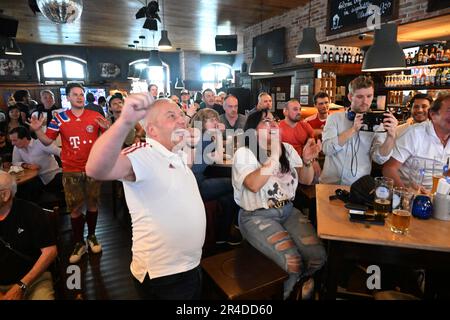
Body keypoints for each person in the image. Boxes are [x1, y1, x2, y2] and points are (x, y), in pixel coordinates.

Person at [86, 96, 205, 300]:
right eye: (171, 116)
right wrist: (124, 122)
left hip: (190, 265)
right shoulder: (144, 153)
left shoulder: (175, 153)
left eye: (181, 115)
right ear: (152, 130)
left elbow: (185, 167)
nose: (182, 120)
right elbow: (95, 169)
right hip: (164, 275)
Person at [232, 110, 326, 300]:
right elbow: (253, 184)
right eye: (266, 122)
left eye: (274, 121)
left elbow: (307, 180)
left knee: (318, 257)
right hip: (256, 215)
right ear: (252, 130)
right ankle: (290, 294)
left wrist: (308, 161)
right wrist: (274, 156)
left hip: (288, 211)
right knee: (293, 263)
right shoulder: (245, 153)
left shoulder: (288, 150)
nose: (273, 124)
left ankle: (299, 287)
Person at [29, 83, 109, 264]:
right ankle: (79, 242)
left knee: (93, 204)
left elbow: (108, 140)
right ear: (68, 97)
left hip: (93, 168)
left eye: (82, 94)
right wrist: (37, 130)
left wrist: (108, 128)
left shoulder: (95, 116)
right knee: (75, 208)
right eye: (75, 94)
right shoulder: (60, 118)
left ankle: (93, 236)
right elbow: (48, 140)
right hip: (70, 169)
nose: (80, 97)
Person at [320, 76, 398, 185]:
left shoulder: (378, 125)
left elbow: (379, 159)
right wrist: (353, 130)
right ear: (350, 96)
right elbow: (327, 149)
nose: (365, 101)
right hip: (329, 183)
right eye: (360, 96)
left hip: (358, 187)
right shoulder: (334, 118)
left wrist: (391, 137)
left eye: (369, 96)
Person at [0, 171, 57, 300]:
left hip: (34, 281)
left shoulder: (31, 212)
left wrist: (22, 285)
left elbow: (50, 251)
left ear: (5, 195)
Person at [191, 108, 241, 245]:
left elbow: (211, 157)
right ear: (202, 122)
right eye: (211, 120)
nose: (216, 122)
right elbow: (218, 159)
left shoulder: (200, 136)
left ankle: (222, 235)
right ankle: (236, 225)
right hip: (196, 184)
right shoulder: (206, 136)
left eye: (216, 119)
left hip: (196, 180)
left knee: (228, 197)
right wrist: (218, 133)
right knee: (237, 184)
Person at [383, 92, 450, 191]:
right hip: (411, 197)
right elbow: (389, 169)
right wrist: (406, 194)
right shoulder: (414, 133)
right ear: (433, 115)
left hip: (440, 198)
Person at [9, 126, 62, 194]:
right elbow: (15, 162)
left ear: (24, 138)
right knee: (18, 190)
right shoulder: (17, 147)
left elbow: (59, 152)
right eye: (12, 140)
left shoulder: (40, 143)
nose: (12, 143)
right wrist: (27, 165)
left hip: (52, 176)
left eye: (15, 140)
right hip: (34, 179)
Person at [279, 99, 321, 180]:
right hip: (285, 163)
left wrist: (315, 161)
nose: (299, 112)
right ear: (285, 112)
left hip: (303, 161)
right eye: (295, 109)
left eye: (300, 109)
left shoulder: (305, 125)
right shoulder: (277, 127)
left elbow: (312, 144)